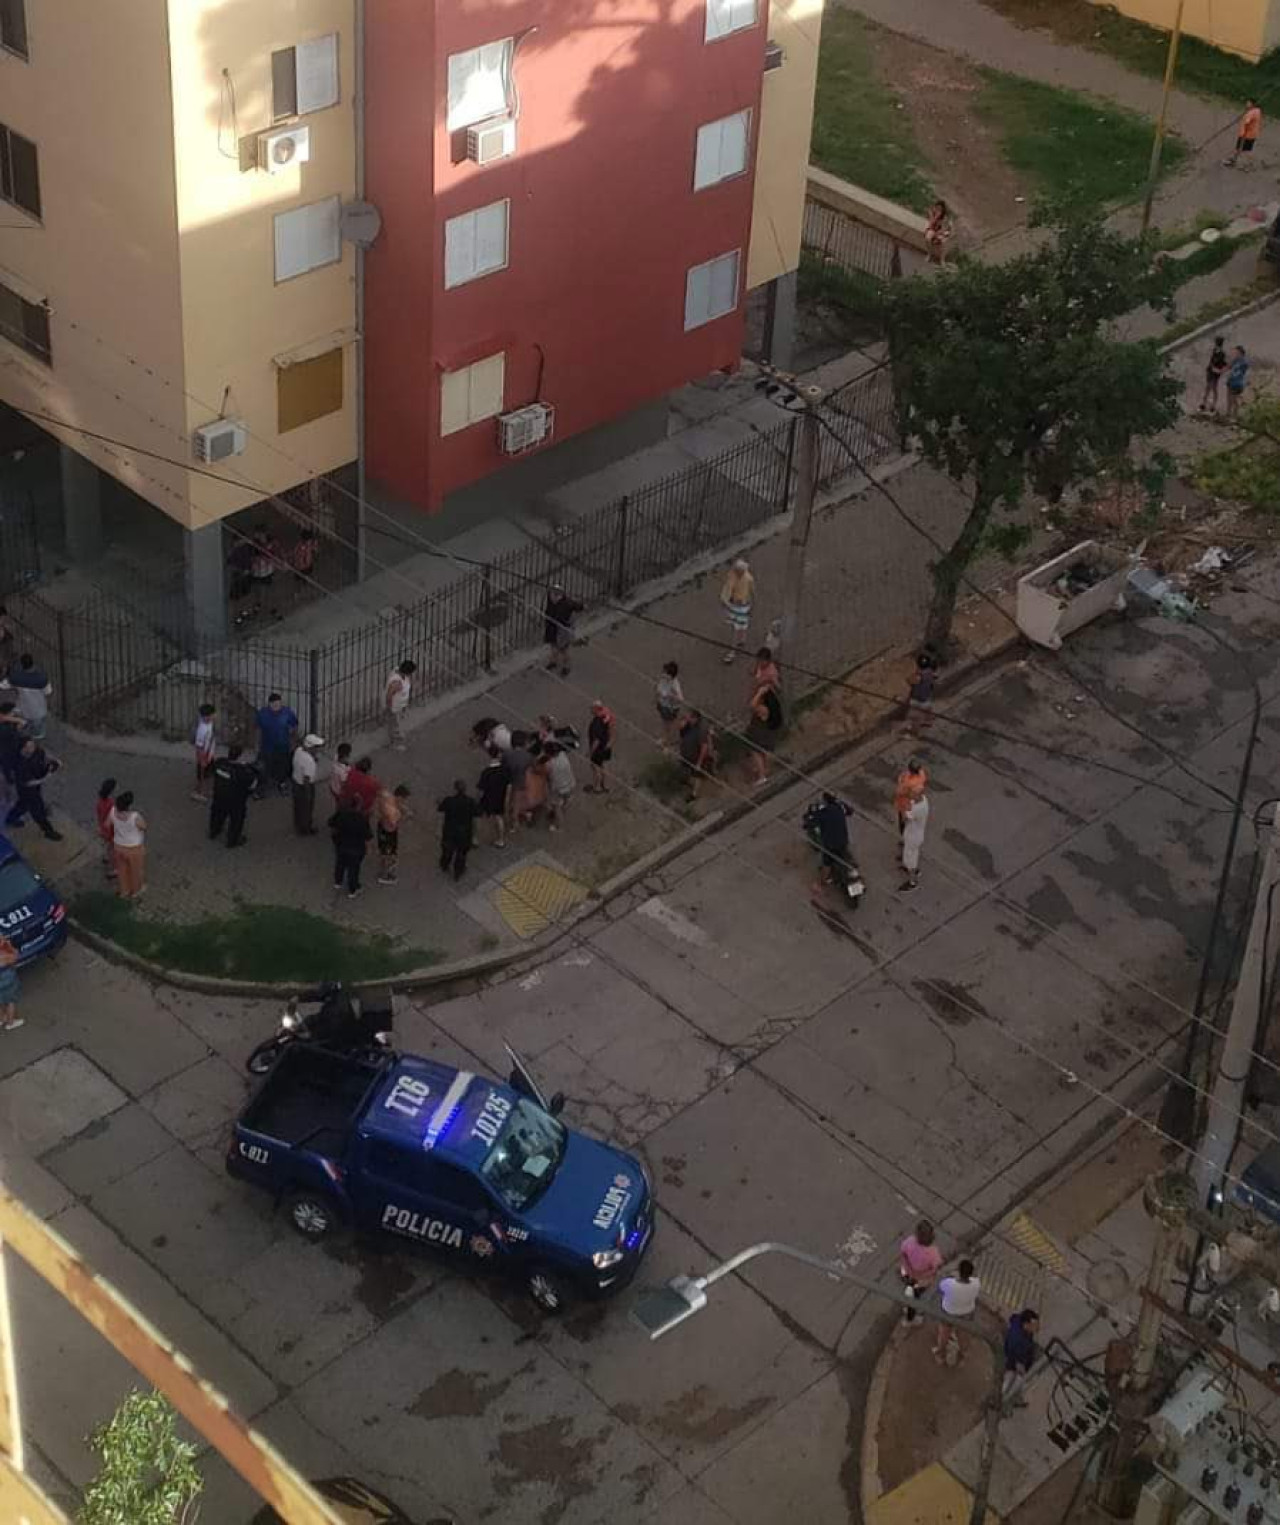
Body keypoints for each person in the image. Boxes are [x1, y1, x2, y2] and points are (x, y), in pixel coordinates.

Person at [7, 739, 62, 841]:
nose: (32, 748)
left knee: (23, 805)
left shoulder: (37, 751)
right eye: (29, 747)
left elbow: (44, 757)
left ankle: (11, 818)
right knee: (37, 812)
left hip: (36, 782)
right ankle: (48, 831)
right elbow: (28, 783)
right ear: (23, 749)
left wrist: (54, 762)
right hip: (27, 791)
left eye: (32, 745)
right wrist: (46, 777)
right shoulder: (20, 765)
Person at [209, 744, 257, 848]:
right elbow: (252, 786)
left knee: (217, 814)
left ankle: (213, 831)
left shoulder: (220, 763)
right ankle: (232, 840)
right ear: (240, 756)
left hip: (219, 796)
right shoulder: (243, 771)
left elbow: (212, 771)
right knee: (236, 820)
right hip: (235, 801)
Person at [934, 1259, 981, 1364]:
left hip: (949, 1311)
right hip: (966, 1312)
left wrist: (951, 1274)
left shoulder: (949, 1284)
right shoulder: (976, 1284)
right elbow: (975, 1279)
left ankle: (941, 1353)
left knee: (944, 1333)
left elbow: (941, 1286)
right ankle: (962, 1355)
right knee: (963, 1334)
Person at [899, 1219, 943, 1325]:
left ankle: (908, 1307)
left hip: (907, 1273)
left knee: (910, 1290)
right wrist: (921, 1275)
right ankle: (911, 1317)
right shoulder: (933, 1253)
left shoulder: (909, 1241)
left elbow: (903, 1254)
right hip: (921, 1280)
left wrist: (909, 1269)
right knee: (916, 1296)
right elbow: (934, 1268)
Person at [811, 791, 854, 898]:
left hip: (830, 844)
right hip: (843, 840)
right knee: (845, 856)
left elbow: (813, 822)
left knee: (826, 864)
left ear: (825, 801)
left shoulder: (822, 813)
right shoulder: (840, 807)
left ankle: (820, 884)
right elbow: (850, 811)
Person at [255, 693, 298, 797]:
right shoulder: (263, 714)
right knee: (264, 767)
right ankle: (262, 788)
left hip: (283, 746)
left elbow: (294, 726)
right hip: (267, 746)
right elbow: (258, 729)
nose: (276, 707)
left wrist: (292, 740)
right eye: (274, 705)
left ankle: (282, 784)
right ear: (269, 704)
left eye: (278, 705)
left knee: (282, 766)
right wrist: (256, 744)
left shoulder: (287, 713)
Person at [329, 798, 372, 899]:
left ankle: (338, 881)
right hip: (356, 848)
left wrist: (334, 838)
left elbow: (331, 824)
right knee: (353, 869)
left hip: (341, 845)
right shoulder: (362, 819)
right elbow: (367, 837)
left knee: (340, 863)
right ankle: (352, 889)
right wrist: (369, 849)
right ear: (358, 806)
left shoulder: (341, 814)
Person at [3, 653, 52, 740]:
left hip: (23, 709)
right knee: (38, 734)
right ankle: (35, 741)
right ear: (32, 664)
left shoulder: (15, 678)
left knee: (23, 731)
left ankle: (24, 740)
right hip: (38, 711)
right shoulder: (41, 678)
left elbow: (3, 685)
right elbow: (48, 692)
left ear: (22, 665)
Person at [746, 676, 783, 787]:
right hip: (764, 733)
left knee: (756, 752)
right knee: (762, 753)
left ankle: (762, 776)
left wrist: (760, 692)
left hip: (759, 735)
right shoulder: (772, 705)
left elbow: (751, 705)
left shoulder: (763, 708)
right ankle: (763, 770)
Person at [437, 779, 478, 881]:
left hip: (450, 831)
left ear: (455, 789)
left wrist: (439, 802)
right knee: (461, 854)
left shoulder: (449, 801)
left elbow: (440, 808)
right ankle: (458, 872)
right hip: (465, 832)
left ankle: (444, 865)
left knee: (447, 850)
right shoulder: (470, 802)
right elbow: (477, 815)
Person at [109, 790, 147, 899]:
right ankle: (136, 890)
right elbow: (144, 826)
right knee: (136, 870)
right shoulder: (135, 817)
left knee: (122, 870)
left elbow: (108, 824)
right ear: (129, 805)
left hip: (118, 846)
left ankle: (124, 890)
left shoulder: (112, 811)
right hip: (133, 848)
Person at [1003, 1309, 1040, 1410]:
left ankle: (1013, 1399)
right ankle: (1003, 1403)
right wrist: (1021, 1369)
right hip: (1014, 1363)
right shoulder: (1019, 1340)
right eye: (1034, 1325)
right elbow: (1017, 1360)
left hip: (1016, 1359)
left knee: (1011, 1383)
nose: (1037, 1328)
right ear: (1026, 1324)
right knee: (1011, 1383)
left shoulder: (1019, 1324)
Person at [544, 583, 584, 676]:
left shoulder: (567, 603)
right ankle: (553, 661)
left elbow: (579, 606)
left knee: (563, 649)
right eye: (550, 595)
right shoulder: (551, 601)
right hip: (552, 627)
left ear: (559, 596)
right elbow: (548, 611)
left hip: (562, 629)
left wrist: (581, 606)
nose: (551, 597)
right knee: (553, 646)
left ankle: (566, 666)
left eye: (553, 595)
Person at [720, 559, 755, 663]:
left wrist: (752, 606)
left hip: (743, 607)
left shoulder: (748, 579)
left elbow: (753, 593)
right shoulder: (732, 576)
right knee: (738, 627)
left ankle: (732, 652)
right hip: (735, 606)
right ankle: (741, 640)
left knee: (736, 629)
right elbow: (727, 589)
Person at [376, 783, 411, 885]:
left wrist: (404, 809)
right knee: (387, 854)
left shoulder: (387, 796)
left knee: (386, 852)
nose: (405, 801)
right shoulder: (392, 811)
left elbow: (381, 792)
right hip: (388, 832)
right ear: (400, 796)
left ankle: (387, 863)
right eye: (404, 798)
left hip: (382, 827)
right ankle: (384, 875)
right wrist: (406, 816)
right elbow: (395, 822)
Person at [678, 707, 715, 801]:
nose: (687, 719)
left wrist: (699, 762)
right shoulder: (688, 725)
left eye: (688, 717)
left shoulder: (701, 729)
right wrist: (683, 724)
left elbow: (704, 747)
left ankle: (694, 794)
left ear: (695, 718)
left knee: (698, 774)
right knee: (687, 770)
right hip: (687, 753)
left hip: (697, 755)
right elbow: (680, 730)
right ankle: (689, 781)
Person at [477, 746, 512, 847]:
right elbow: (509, 785)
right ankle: (500, 840)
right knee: (498, 817)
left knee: (478, 817)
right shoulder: (505, 770)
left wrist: (477, 798)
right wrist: (507, 798)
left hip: (488, 797)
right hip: (500, 796)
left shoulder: (486, 772)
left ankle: (475, 838)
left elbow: (481, 788)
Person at [291, 733, 324, 835]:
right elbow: (307, 779)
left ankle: (298, 824)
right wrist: (308, 794)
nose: (318, 749)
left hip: (296, 782)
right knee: (306, 808)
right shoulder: (309, 762)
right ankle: (305, 829)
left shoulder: (299, 751)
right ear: (311, 748)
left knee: (298, 806)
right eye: (316, 747)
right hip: (304, 786)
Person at [900, 790, 930, 893]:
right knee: (914, 854)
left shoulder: (915, 809)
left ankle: (912, 882)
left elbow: (904, 819)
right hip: (918, 833)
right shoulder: (924, 801)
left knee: (910, 859)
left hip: (912, 836)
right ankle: (914, 870)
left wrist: (903, 808)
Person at [384, 659, 417, 751]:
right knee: (394, 725)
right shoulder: (397, 682)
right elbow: (389, 695)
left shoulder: (400, 673)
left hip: (400, 705)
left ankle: (397, 737)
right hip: (395, 707)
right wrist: (390, 707)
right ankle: (394, 743)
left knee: (397, 723)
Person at [504, 730, 534, 829]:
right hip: (520, 781)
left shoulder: (507, 754)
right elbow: (531, 767)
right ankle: (515, 820)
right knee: (517, 801)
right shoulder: (528, 756)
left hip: (509, 779)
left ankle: (511, 815)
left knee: (510, 798)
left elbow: (504, 765)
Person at [0, 700, 25, 816]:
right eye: (13, 712)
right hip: (7, 755)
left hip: (9, 754)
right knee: (7, 780)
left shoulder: (7, 722)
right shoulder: (5, 729)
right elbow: (15, 736)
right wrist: (18, 727)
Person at [544, 742, 575, 830]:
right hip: (570, 783)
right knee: (566, 800)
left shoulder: (549, 764)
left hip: (558, 789)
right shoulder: (563, 754)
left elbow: (547, 776)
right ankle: (564, 807)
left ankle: (559, 826)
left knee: (557, 807)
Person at [904, 652, 937, 732]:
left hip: (918, 698)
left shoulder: (918, 676)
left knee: (913, 716)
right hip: (927, 696)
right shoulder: (930, 672)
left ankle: (912, 731)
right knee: (928, 708)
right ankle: (929, 721)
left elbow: (909, 680)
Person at [586, 700, 615, 793]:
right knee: (604, 766)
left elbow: (596, 740)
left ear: (596, 709)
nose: (590, 709)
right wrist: (610, 742)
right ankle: (605, 785)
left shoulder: (596, 723)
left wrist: (590, 752)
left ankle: (597, 787)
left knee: (595, 768)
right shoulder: (606, 716)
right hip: (606, 746)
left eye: (592, 708)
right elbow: (611, 729)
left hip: (598, 749)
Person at [655, 661, 685, 748]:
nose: (663, 674)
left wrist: (671, 696)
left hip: (669, 707)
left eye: (665, 673)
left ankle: (666, 742)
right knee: (665, 722)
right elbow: (659, 688)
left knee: (667, 724)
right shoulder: (663, 679)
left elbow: (681, 699)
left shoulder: (675, 685)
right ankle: (666, 738)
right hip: (663, 704)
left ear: (671, 676)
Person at [895, 758, 928, 836]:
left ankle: (905, 837)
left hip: (905, 804)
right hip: (916, 803)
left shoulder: (908, 782)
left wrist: (900, 780)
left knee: (903, 821)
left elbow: (900, 791)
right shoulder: (922, 775)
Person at [1225, 98, 1262, 166]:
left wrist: (1244, 120)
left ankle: (1248, 164)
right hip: (1250, 134)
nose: (1246, 104)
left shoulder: (1252, 112)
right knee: (1239, 148)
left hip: (1247, 134)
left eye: (1248, 103)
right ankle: (1234, 160)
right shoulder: (1257, 111)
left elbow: (1247, 122)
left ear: (1252, 104)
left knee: (1246, 150)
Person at [192, 702, 217, 802]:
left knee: (208, 773)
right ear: (207, 716)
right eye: (213, 714)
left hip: (209, 753)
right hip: (204, 756)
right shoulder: (202, 730)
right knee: (202, 775)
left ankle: (205, 790)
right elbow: (199, 747)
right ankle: (198, 792)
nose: (215, 715)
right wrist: (201, 759)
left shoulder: (209, 724)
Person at [1199, 336, 1229, 413]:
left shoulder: (1221, 353)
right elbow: (1213, 361)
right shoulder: (1215, 351)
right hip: (1211, 371)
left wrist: (1219, 370)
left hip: (1215, 372)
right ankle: (1204, 403)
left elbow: (1221, 363)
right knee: (1208, 387)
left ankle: (1212, 405)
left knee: (1213, 387)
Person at [95, 777, 117, 880]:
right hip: (112, 831)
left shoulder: (100, 802)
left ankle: (106, 857)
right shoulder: (111, 804)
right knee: (115, 850)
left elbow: (100, 815)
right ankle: (114, 870)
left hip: (103, 829)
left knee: (108, 846)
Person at [0, 933, 21, 1032]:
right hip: (7, 979)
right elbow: (15, 956)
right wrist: (7, 944)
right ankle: (10, 1023)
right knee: (10, 1001)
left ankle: (1, 1019)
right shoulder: (4, 954)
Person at [1226, 345, 1250, 421]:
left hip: (1237, 382)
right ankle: (1228, 413)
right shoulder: (1235, 360)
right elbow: (1229, 366)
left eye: (1236, 352)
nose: (1235, 354)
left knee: (1234, 399)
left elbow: (1242, 371)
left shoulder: (1244, 362)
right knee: (1229, 398)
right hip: (1231, 380)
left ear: (1240, 352)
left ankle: (1235, 415)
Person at [925, 199, 953, 265]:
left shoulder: (945, 217)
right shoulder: (932, 212)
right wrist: (934, 217)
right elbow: (931, 224)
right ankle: (930, 254)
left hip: (943, 230)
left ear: (943, 209)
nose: (938, 210)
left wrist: (936, 235)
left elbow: (944, 229)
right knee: (927, 238)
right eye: (937, 208)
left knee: (942, 243)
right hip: (934, 228)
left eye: (940, 209)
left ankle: (942, 259)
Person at [328, 741, 352, 806]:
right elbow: (344, 784)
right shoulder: (342, 772)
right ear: (344, 757)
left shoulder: (336, 758)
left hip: (333, 786)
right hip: (339, 791)